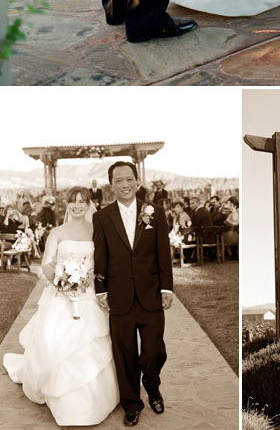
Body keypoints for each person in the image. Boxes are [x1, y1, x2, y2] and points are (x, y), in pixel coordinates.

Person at [3, 186, 119, 426]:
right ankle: (61, 398)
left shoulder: (98, 230)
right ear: (67, 204)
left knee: (92, 344)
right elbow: (46, 264)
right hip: (61, 294)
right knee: (54, 345)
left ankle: (95, 400)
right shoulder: (57, 232)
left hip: (88, 297)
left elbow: (103, 264)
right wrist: (61, 282)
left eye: (82, 201)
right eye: (73, 201)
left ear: (89, 205)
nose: (77, 205)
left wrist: (90, 284)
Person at [94, 159, 173, 428]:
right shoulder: (102, 217)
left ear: (137, 182)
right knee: (124, 352)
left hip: (151, 293)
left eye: (129, 179)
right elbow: (100, 256)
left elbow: (164, 253)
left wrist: (166, 288)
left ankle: (152, 385)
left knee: (153, 351)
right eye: (119, 180)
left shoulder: (156, 213)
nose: (125, 184)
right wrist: (100, 289)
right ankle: (131, 403)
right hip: (118, 295)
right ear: (111, 185)